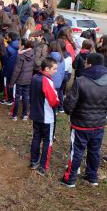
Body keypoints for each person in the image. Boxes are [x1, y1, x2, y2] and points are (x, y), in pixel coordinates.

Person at [61, 53, 107, 187]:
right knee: (95, 150)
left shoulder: (81, 81)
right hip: (98, 124)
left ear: (90, 64)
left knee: (77, 151)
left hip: (81, 124)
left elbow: (69, 104)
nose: (85, 64)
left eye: (86, 62)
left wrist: (68, 110)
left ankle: (70, 179)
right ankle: (92, 177)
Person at [30, 57, 60, 176]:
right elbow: (54, 100)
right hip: (47, 117)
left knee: (36, 137)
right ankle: (43, 166)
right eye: (54, 69)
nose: (56, 71)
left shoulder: (34, 77)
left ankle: (33, 161)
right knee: (48, 140)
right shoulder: (47, 81)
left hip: (36, 114)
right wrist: (58, 101)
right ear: (46, 69)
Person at [9, 39, 35, 121]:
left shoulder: (21, 56)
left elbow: (17, 70)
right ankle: (24, 115)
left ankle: (15, 115)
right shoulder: (32, 53)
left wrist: (12, 82)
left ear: (23, 46)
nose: (18, 45)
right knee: (25, 97)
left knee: (17, 97)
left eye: (20, 44)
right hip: (28, 79)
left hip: (20, 79)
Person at [1, 31, 20, 105]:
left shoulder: (8, 48)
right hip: (16, 69)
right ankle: (13, 98)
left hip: (8, 69)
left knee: (7, 84)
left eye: (8, 37)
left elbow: (4, 59)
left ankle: (9, 99)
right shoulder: (20, 45)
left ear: (11, 38)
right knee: (13, 83)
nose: (6, 37)